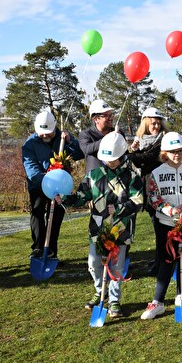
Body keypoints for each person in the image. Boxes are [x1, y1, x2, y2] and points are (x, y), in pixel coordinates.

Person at [58, 132, 143, 318]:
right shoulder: (94, 175)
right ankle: (100, 291)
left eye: (113, 159)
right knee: (93, 263)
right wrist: (65, 198)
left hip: (120, 229)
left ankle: (114, 300)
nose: (109, 162)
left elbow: (138, 202)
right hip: (97, 227)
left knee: (116, 267)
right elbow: (82, 196)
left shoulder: (132, 177)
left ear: (122, 156)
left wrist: (119, 209)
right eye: (107, 159)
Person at [140, 132, 182, 320]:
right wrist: (168, 209)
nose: (177, 154)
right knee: (166, 261)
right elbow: (153, 197)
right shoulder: (157, 173)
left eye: (180, 150)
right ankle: (158, 302)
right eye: (172, 151)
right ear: (165, 153)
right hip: (167, 223)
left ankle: (181, 294)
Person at [22, 111, 83, 260]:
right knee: (37, 215)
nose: (44, 136)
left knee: (55, 217)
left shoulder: (62, 138)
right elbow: (31, 169)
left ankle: (51, 251)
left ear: (54, 128)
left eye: (48, 133)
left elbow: (80, 154)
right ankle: (38, 248)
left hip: (59, 187)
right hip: (38, 184)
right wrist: (46, 180)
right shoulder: (29, 144)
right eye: (42, 133)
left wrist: (70, 142)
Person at [129, 107, 167, 276]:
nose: (156, 126)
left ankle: (161, 261)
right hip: (146, 187)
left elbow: (149, 158)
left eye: (158, 123)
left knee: (159, 225)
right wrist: (134, 151)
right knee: (156, 224)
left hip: (158, 188)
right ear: (145, 123)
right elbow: (138, 163)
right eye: (153, 123)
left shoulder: (162, 140)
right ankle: (160, 257)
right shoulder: (141, 140)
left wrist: (127, 155)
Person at [78, 99, 116, 174]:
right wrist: (107, 140)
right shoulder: (86, 134)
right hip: (95, 181)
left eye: (111, 114)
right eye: (106, 116)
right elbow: (87, 149)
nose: (111, 118)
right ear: (96, 119)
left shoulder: (117, 133)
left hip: (116, 180)